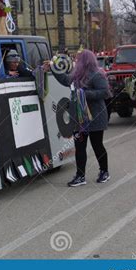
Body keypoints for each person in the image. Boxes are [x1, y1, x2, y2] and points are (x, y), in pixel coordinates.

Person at [44, 49, 111, 186]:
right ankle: (80, 176)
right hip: (79, 119)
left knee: (97, 145)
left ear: (85, 60)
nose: (76, 61)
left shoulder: (97, 75)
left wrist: (84, 94)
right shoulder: (76, 75)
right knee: (80, 147)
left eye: (78, 59)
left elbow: (105, 92)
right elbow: (64, 79)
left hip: (95, 117)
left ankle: (104, 171)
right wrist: (53, 67)